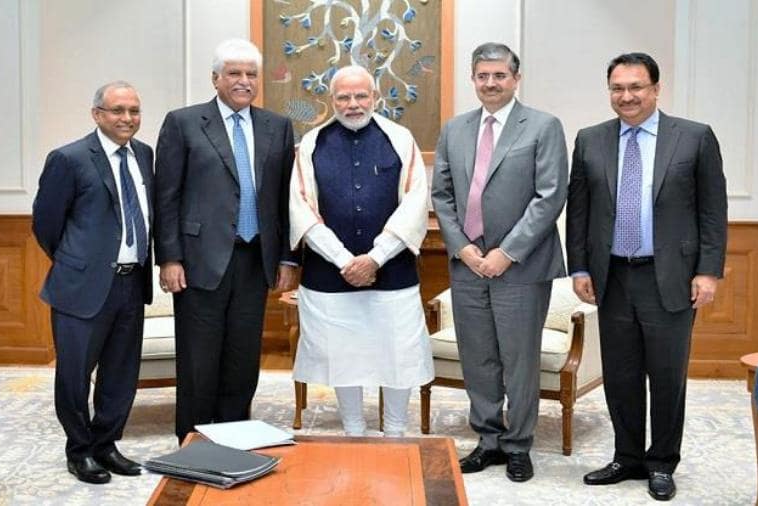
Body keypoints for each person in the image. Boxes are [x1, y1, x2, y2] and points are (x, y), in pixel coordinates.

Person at [566, 52, 727, 501]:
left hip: (670, 276)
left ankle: (661, 462)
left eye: (636, 87)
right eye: (617, 88)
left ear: (656, 89)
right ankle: (627, 457)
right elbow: (578, 211)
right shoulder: (590, 140)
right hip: (612, 276)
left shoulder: (694, 137)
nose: (627, 96)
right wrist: (579, 266)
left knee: (667, 375)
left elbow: (713, 211)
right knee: (620, 374)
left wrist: (708, 272)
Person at [430, 43, 568, 482]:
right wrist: (463, 248)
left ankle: (518, 444)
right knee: (478, 357)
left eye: (499, 76)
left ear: (515, 78)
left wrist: (506, 253)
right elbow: (442, 195)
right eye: (482, 76)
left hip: (521, 267)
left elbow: (550, 196)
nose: (490, 83)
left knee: (519, 359)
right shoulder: (455, 129)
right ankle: (488, 440)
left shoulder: (543, 126)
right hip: (467, 264)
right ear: (473, 79)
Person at [154, 38, 296, 443]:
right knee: (198, 360)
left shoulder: (277, 127)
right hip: (199, 261)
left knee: (242, 360)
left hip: (255, 260)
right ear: (215, 78)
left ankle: (234, 438)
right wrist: (169, 258)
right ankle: (194, 443)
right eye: (234, 73)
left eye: (251, 74)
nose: (243, 81)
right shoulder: (183, 123)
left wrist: (287, 258)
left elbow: (285, 199)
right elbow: (166, 196)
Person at [289, 65, 433, 437]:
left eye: (360, 96)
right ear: (331, 100)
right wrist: (344, 260)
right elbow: (301, 208)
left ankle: (396, 433)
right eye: (344, 97)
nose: (353, 104)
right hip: (330, 275)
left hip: (392, 274)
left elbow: (415, 203)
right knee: (343, 358)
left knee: (398, 356)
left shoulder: (400, 139)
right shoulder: (312, 144)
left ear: (375, 97)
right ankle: (353, 431)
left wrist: (375, 258)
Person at [32, 81, 153, 484]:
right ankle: (79, 450)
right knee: (74, 374)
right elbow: (46, 224)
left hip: (131, 283)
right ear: (97, 114)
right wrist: (78, 262)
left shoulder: (145, 155)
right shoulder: (69, 158)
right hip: (81, 286)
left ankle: (106, 445)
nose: (127, 118)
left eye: (134, 111)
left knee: (121, 373)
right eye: (118, 110)